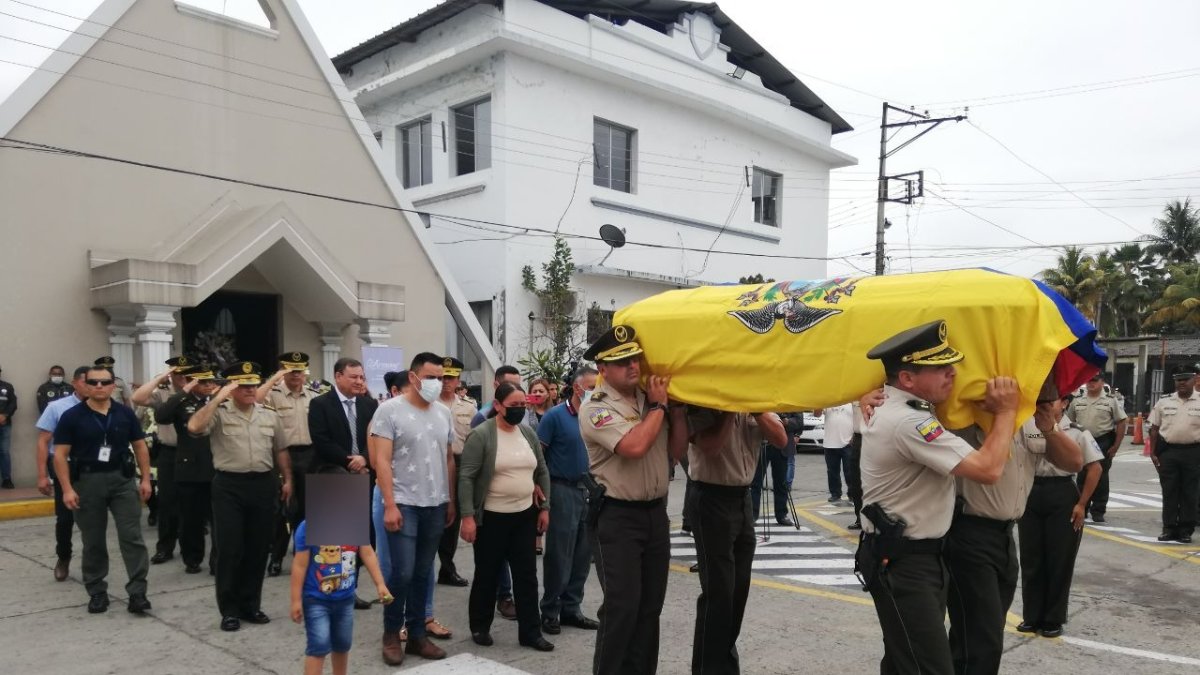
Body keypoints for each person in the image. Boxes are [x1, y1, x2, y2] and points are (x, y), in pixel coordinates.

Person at [856, 320, 1020, 675]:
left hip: (912, 559)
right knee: (929, 667)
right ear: (907, 380)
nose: (952, 373)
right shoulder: (910, 422)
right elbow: (989, 470)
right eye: (940, 368)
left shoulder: (906, 409)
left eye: (952, 364)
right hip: (905, 566)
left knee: (903, 662)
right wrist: (1007, 411)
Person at [945, 374, 1083, 675]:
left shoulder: (1034, 421)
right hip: (968, 534)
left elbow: (1074, 462)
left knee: (982, 631)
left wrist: (1049, 427)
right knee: (982, 639)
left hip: (1005, 537)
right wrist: (1001, 411)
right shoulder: (972, 412)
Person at [579, 324, 688, 675]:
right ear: (603, 369)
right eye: (622, 360)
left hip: (655, 514)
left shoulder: (647, 400)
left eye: (635, 358)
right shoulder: (595, 408)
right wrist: (659, 408)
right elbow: (635, 447)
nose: (633, 366)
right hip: (617, 518)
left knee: (649, 608)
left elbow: (676, 451)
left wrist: (678, 410)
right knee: (622, 607)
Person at [187, 361, 293, 632]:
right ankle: (229, 609)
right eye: (243, 386)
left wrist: (287, 479)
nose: (249, 390)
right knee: (230, 549)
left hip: (263, 484)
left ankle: (250, 605)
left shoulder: (268, 414)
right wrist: (217, 397)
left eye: (252, 385)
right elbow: (194, 427)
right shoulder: (219, 412)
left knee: (258, 548)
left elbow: (280, 449)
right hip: (229, 486)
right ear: (232, 388)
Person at [368, 353, 456, 666]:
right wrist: (389, 504)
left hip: (435, 503)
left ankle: (418, 635)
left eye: (442, 377)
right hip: (403, 502)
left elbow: (448, 457)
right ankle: (392, 632)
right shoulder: (388, 411)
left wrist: (451, 499)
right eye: (431, 376)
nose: (438, 383)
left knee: (423, 571)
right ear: (415, 377)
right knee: (401, 572)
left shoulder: (444, 412)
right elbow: (381, 460)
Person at [685, 405, 787, 674]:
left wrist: (755, 410)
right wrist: (729, 410)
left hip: (742, 500)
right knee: (719, 593)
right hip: (710, 497)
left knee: (738, 591)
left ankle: (725, 665)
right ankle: (709, 668)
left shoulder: (755, 404)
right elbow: (710, 447)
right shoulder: (701, 404)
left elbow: (781, 439)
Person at [458, 381, 554, 651]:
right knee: (487, 574)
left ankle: (531, 633)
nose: (519, 410)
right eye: (513, 406)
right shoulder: (481, 435)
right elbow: (466, 477)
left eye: (523, 405)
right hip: (491, 518)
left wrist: (545, 507)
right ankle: (480, 626)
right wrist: (467, 516)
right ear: (498, 406)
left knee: (527, 576)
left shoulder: (527, 433)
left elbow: (542, 470)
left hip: (524, 515)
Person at [51, 364, 153, 615]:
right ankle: (97, 592)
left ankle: (138, 592)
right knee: (93, 540)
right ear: (84, 385)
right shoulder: (72, 416)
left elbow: (140, 447)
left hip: (121, 480)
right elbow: (60, 455)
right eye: (93, 382)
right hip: (87, 482)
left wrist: (146, 479)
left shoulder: (125, 414)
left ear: (112, 386)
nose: (98, 387)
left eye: (104, 382)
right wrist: (66, 489)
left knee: (132, 538)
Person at [1017, 394, 1105, 638]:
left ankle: (1053, 619)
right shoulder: (1027, 426)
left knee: (1059, 560)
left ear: (1065, 403)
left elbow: (1095, 467)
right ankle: (1031, 616)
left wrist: (1081, 504)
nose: (1045, 405)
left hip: (1063, 493)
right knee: (1031, 558)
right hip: (1032, 492)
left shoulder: (1077, 432)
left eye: (1052, 401)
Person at [289, 490, 394, 675]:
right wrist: (296, 600)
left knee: (342, 644)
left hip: (345, 599)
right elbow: (299, 565)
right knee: (318, 645)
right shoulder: (308, 527)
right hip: (316, 600)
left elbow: (367, 553)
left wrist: (380, 584)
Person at [538, 366, 601, 636]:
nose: (597, 391)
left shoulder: (598, 415)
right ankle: (550, 610)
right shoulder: (555, 417)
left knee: (583, 554)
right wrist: (542, 495)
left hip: (591, 490)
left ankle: (571, 608)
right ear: (578, 388)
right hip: (562, 489)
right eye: (592, 386)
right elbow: (539, 458)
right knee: (559, 555)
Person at [470, 364, 527, 621]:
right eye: (510, 384)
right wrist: (467, 513)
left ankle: (509, 597)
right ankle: (501, 597)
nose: (517, 391)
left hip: (521, 508)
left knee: (519, 564)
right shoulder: (482, 420)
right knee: (491, 562)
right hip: (491, 506)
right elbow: (469, 472)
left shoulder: (522, 425)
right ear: (497, 387)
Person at [156, 363, 219, 574]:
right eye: (203, 382)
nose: (209, 385)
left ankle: (217, 561)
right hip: (189, 467)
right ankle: (192, 558)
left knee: (218, 519)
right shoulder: (183, 402)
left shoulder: (220, 400)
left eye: (210, 381)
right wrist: (185, 389)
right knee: (190, 518)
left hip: (217, 466)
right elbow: (161, 415)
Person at [260, 352, 319, 577]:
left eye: (299, 371)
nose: (296, 375)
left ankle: (304, 556)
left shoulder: (313, 395)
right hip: (283, 456)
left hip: (310, 455)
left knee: (309, 509)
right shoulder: (273, 395)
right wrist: (275, 378)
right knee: (283, 511)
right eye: (291, 371)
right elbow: (255, 399)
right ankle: (276, 558)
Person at [131, 356, 191, 565]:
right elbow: (138, 398)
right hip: (169, 452)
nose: (182, 377)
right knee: (167, 503)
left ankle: (190, 549)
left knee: (191, 504)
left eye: (186, 373)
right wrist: (161, 377)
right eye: (177, 373)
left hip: (194, 453)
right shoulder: (163, 393)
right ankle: (165, 547)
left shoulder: (199, 391)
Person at [36, 365, 89, 580]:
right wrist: (41, 475)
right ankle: (64, 557)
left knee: (92, 518)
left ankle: (92, 563)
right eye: (87, 381)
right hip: (64, 467)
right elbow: (43, 442)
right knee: (65, 519)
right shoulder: (57, 407)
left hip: (92, 469)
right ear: (75, 383)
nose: (93, 386)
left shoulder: (104, 406)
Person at [1066, 372, 1128, 523]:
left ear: (1102, 382)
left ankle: (1098, 510)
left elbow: (1121, 421)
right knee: (1081, 476)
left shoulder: (1110, 401)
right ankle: (1082, 507)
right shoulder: (1077, 401)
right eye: (1088, 381)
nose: (1090, 383)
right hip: (1082, 440)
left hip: (1102, 440)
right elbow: (1069, 421)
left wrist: (1116, 445)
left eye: (1094, 381)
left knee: (1101, 476)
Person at [1148, 367, 1200, 544]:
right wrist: (1153, 453)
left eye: (1186, 379)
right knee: (1169, 491)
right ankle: (1169, 528)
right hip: (1168, 452)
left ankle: (1185, 529)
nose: (1182, 383)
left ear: (1194, 380)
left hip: (1194, 452)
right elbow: (1154, 429)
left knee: (1189, 492)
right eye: (1178, 380)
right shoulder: (1164, 402)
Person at [437, 357, 476, 589]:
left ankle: (447, 568)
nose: (445, 382)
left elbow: (473, 439)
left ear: (458, 380)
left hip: (460, 462)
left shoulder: (468, 406)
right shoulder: (428, 403)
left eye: (450, 378)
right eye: (442, 377)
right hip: (433, 463)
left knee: (453, 517)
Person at [750, 419, 793, 527]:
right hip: (761, 444)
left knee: (781, 483)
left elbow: (798, 422)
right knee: (755, 482)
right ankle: (752, 515)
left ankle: (782, 515)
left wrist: (786, 422)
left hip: (781, 446)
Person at [816, 403, 855, 504]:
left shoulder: (852, 402)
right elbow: (817, 414)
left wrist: (854, 436)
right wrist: (819, 401)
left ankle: (853, 495)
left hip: (847, 443)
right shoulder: (829, 401)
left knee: (850, 471)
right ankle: (835, 494)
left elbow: (859, 420)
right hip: (830, 443)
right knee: (832, 472)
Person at [0, 365, 15, 489]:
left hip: (5, 424)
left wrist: (5, 415)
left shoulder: (7, 386)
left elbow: (13, 403)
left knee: (4, 452)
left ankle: (6, 479)